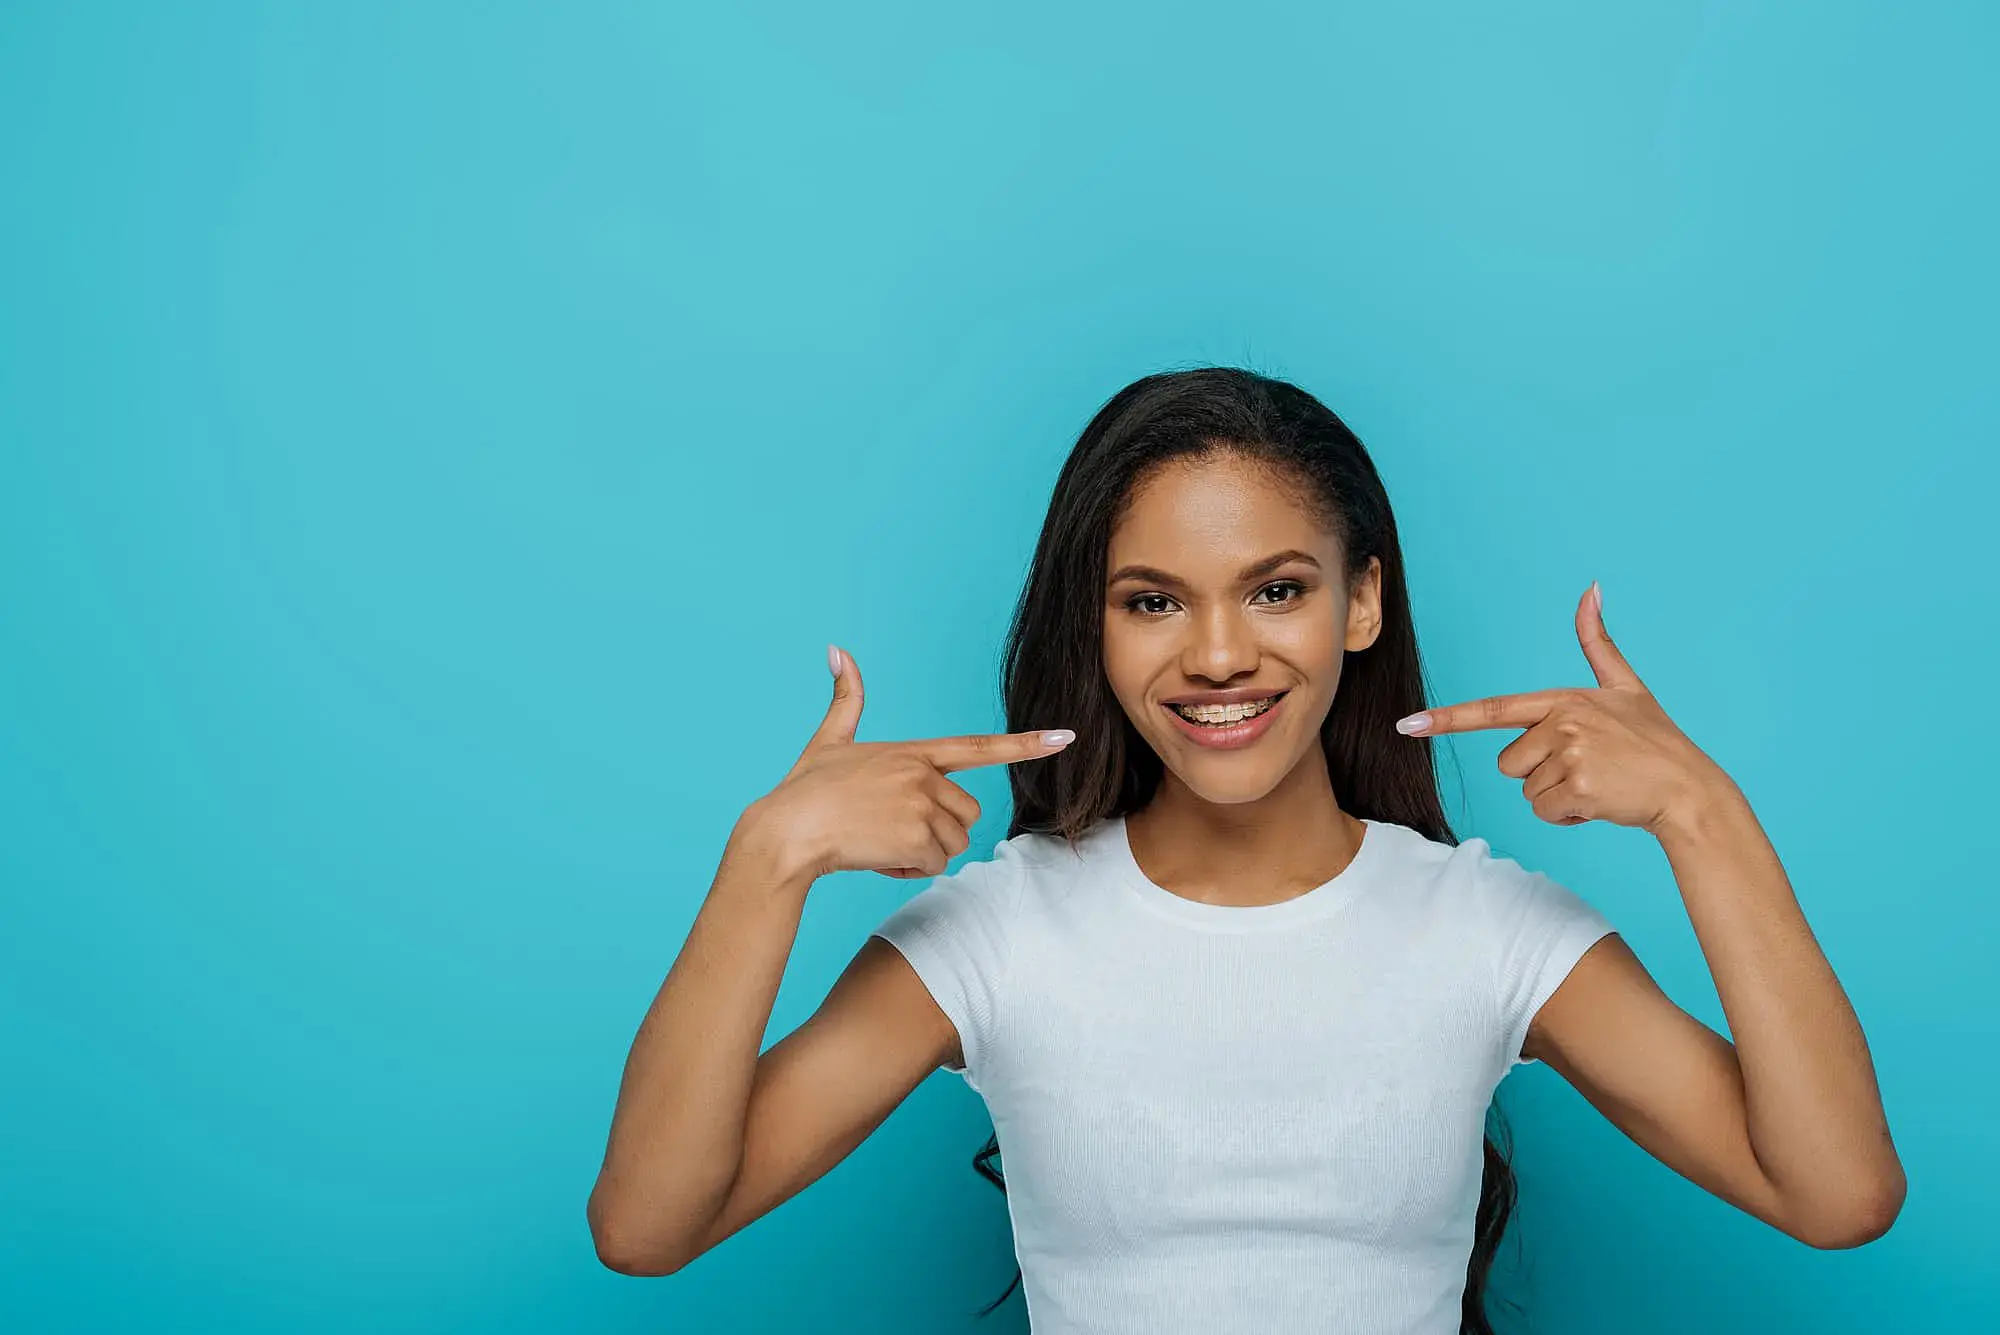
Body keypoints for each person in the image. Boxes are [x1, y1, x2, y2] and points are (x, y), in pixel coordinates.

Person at [586, 368, 1905, 1334]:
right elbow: (648, 1226)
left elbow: (1837, 1192)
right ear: (1095, 629)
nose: (1217, 654)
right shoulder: (998, 936)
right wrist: (765, 860)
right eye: (1152, 600)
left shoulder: (1487, 929)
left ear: (1362, 601)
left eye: (1276, 587)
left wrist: (1703, 816)